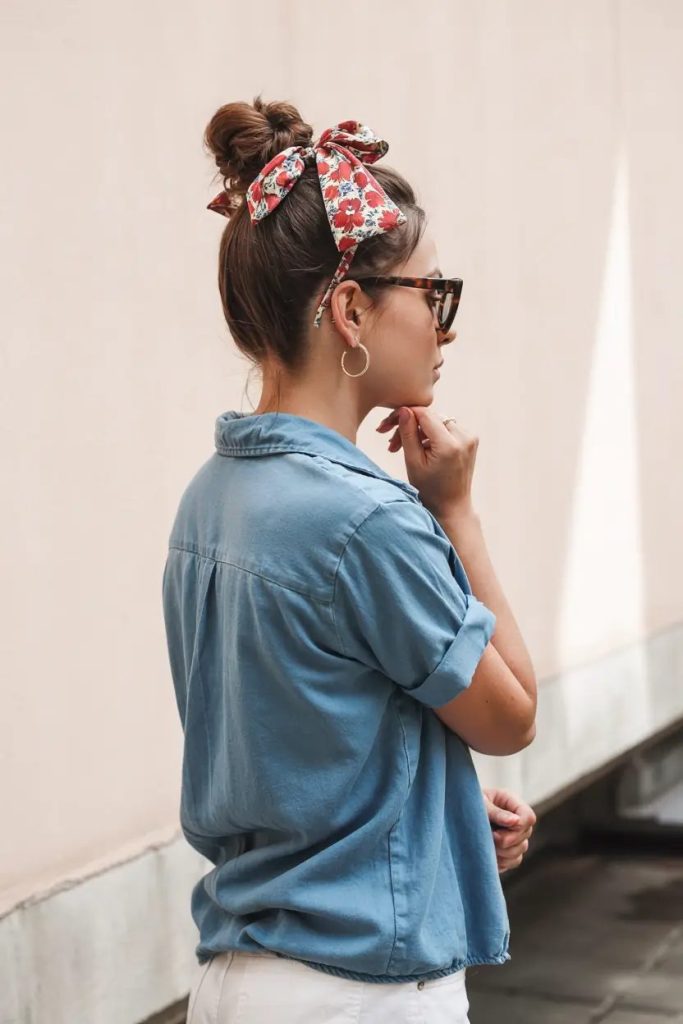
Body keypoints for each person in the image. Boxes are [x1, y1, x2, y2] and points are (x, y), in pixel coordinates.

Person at [161, 94, 538, 1024]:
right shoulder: (368, 522)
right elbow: (511, 714)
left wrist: (441, 814)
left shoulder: (210, 498)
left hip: (239, 978)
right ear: (351, 309)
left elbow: (303, 743)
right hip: (359, 989)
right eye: (432, 293)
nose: (444, 326)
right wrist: (455, 511)